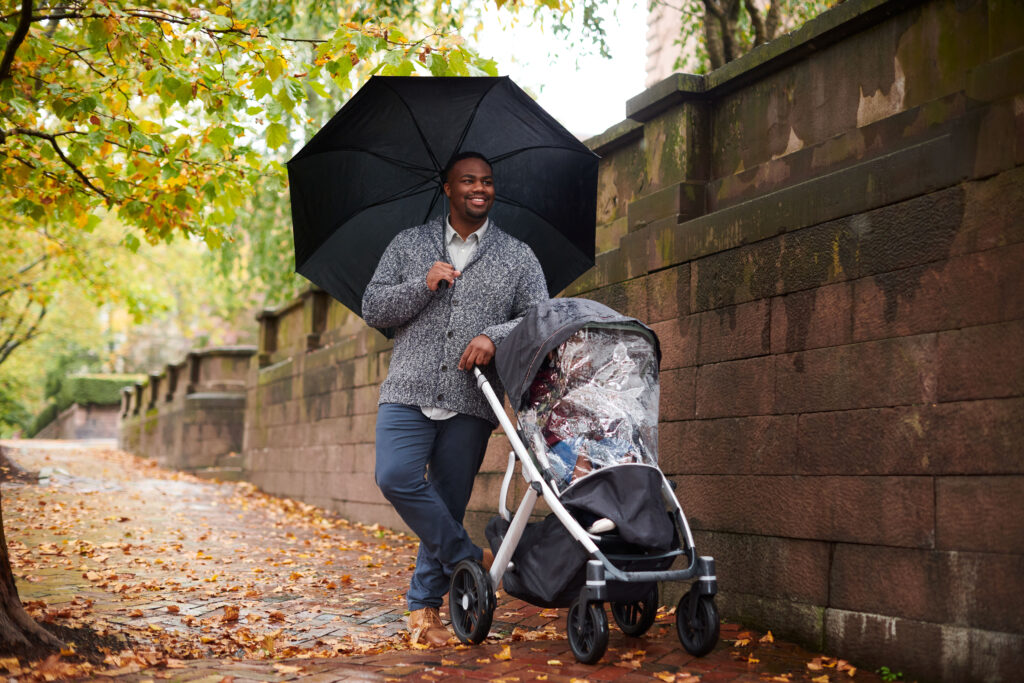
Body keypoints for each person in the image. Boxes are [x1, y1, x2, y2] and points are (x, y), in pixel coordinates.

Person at [361, 151, 548, 646]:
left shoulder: (517, 256)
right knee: (395, 477)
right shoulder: (409, 244)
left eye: (487, 181)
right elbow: (373, 307)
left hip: (473, 398)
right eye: (468, 180)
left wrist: (494, 336)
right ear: (448, 188)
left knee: (448, 500)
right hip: (408, 390)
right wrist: (421, 285)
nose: (479, 188)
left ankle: (423, 610)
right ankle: (468, 555)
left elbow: (539, 317)